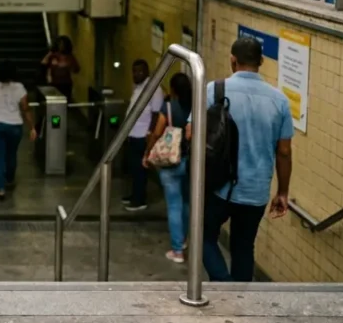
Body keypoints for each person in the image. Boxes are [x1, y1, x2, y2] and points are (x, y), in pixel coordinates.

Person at [192, 37, 293, 282]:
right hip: (255, 191)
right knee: (244, 246)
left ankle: (223, 284)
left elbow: (190, 132)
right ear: (261, 61)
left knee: (202, 236)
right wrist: (282, 192)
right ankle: (240, 296)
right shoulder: (280, 100)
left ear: (232, 60)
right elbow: (284, 151)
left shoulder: (214, 91)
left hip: (218, 186)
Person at [144, 72, 191, 263]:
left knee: (174, 205)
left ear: (173, 89)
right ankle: (185, 239)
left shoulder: (169, 107)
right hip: (190, 162)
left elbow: (157, 133)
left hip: (170, 162)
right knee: (187, 202)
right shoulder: (196, 106)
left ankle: (177, 250)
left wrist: (147, 153)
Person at [0, 61, 36, 200]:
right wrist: (32, 127)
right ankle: (10, 179)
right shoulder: (19, 87)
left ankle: (0, 189)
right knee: (11, 154)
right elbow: (25, 108)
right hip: (15, 126)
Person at [122, 59, 164, 212]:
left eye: (140, 71)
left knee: (140, 169)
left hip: (143, 135)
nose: (136, 74)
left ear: (147, 72)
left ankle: (140, 200)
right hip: (133, 134)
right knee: (134, 168)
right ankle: (134, 195)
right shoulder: (138, 87)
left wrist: (149, 133)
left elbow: (156, 113)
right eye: (134, 71)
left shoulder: (154, 89)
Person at [41, 36, 80, 101]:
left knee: (65, 101)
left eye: (63, 44)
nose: (61, 46)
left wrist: (69, 67)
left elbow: (77, 69)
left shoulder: (70, 56)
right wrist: (50, 53)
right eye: (60, 44)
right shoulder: (53, 55)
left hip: (66, 84)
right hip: (54, 83)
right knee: (54, 102)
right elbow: (43, 63)